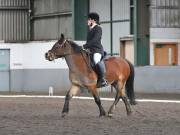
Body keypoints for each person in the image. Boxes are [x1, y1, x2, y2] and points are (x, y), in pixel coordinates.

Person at [82, 12, 108, 88]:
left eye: (88, 19)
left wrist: (85, 45)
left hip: (97, 50)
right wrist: (84, 48)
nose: (87, 21)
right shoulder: (90, 29)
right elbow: (88, 41)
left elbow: (95, 40)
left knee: (96, 60)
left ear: (93, 20)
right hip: (90, 51)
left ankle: (103, 80)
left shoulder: (98, 28)